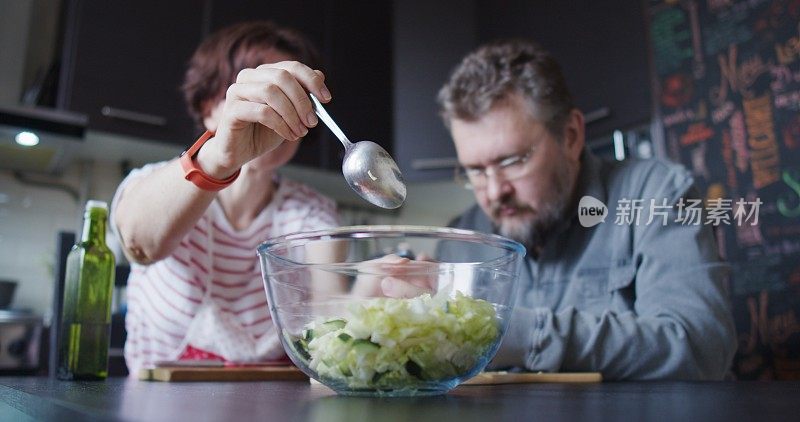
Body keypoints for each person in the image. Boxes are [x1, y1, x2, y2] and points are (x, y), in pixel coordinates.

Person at [435, 39, 737, 380]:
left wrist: (520, 335)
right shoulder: (461, 241)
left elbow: (702, 349)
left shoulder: (656, 195)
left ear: (571, 136)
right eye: (475, 170)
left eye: (512, 160)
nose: (493, 191)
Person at [111, 21, 338, 373]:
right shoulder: (155, 183)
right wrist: (220, 156)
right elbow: (140, 244)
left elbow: (328, 323)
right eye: (258, 92)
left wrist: (375, 287)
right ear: (207, 106)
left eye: (291, 97)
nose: (273, 110)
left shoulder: (312, 214)